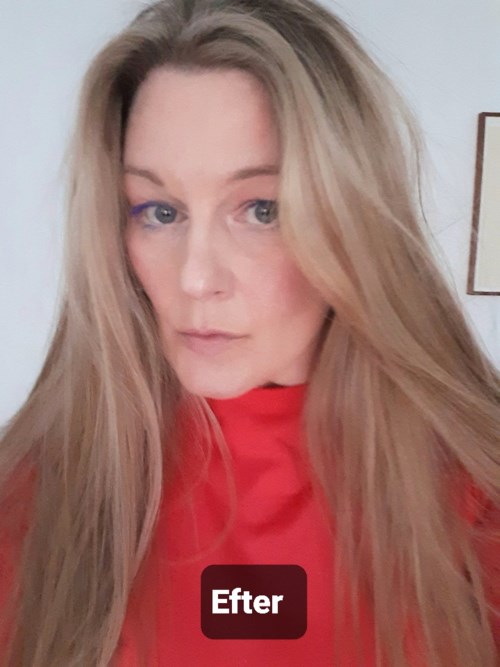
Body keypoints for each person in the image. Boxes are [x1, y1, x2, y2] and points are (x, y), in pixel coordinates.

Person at [1, 0, 499, 665]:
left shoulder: (475, 495)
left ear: (351, 223)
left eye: (262, 209)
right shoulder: (37, 495)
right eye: (159, 211)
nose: (196, 278)